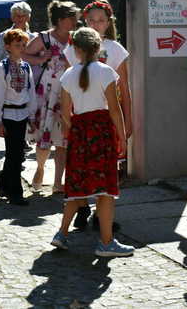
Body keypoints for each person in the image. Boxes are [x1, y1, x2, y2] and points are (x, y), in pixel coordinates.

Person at [50, 27, 133, 256]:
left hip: (80, 133)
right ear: (98, 48)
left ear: (76, 50)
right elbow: (114, 110)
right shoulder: (106, 72)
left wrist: (72, 133)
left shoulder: (67, 76)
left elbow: (65, 113)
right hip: (102, 132)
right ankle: (106, 243)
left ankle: (62, 233)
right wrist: (122, 137)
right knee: (105, 189)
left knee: (77, 186)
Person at [63, 0, 131, 230]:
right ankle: (82, 208)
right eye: (91, 20)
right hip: (82, 115)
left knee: (106, 168)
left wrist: (127, 120)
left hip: (107, 114)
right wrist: (67, 123)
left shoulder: (115, 49)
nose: (96, 24)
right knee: (81, 167)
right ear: (84, 21)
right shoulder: (74, 49)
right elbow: (67, 87)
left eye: (101, 20)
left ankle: (103, 216)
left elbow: (124, 89)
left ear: (108, 22)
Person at [25, 1, 78, 193]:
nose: (74, 21)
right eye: (71, 18)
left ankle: (58, 183)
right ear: (60, 20)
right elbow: (23, 54)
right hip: (48, 93)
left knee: (63, 141)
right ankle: (39, 169)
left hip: (69, 93)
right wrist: (41, 59)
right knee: (44, 139)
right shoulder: (44, 38)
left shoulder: (76, 39)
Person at [0, 29, 37, 206]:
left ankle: (4, 182)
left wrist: (32, 115)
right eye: (18, 45)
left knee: (16, 154)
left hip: (22, 114)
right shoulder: (3, 68)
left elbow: (30, 91)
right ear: (8, 47)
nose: (21, 48)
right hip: (8, 115)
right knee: (14, 154)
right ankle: (16, 192)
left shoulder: (26, 66)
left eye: (23, 45)